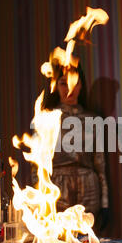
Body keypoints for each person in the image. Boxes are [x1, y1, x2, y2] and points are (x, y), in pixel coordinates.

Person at [37, 64, 109, 232]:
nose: (70, 88)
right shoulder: (46, 118)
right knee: (60, 240)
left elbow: (100, 165)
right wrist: (40, 201)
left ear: (81, 85)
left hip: (89, 187)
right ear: (55, 86)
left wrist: (105, 203)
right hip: (58, 187)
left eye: (74, 82)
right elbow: (38, 167)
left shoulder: (93, 119)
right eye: (63, 83)